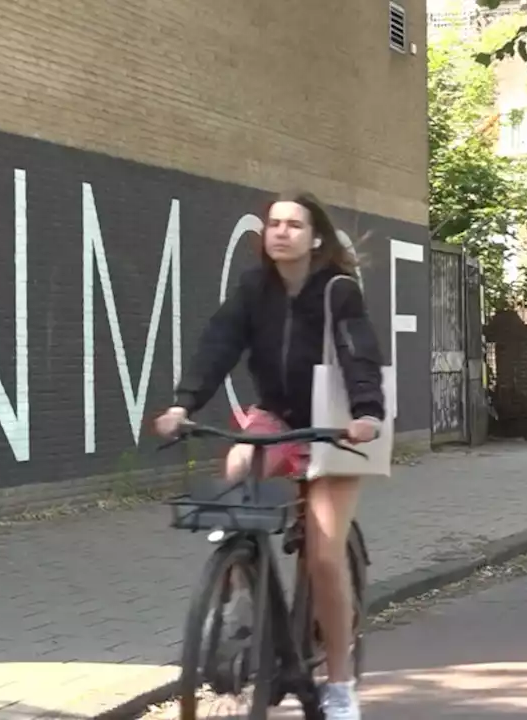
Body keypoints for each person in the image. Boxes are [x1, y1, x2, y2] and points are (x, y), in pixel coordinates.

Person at [153, 190, 386, 720]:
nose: (281, 232)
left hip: (336, 426)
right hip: (278, 417)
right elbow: (219, 344)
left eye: (293, 225)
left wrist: (367, 413)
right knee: (238, 465)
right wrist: (182, 405)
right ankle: (240, 589)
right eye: (274, 224)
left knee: (323, 555)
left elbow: (358, 351)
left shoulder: (338, 291)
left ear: (316, 237)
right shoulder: (253, 288)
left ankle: (341, 685)